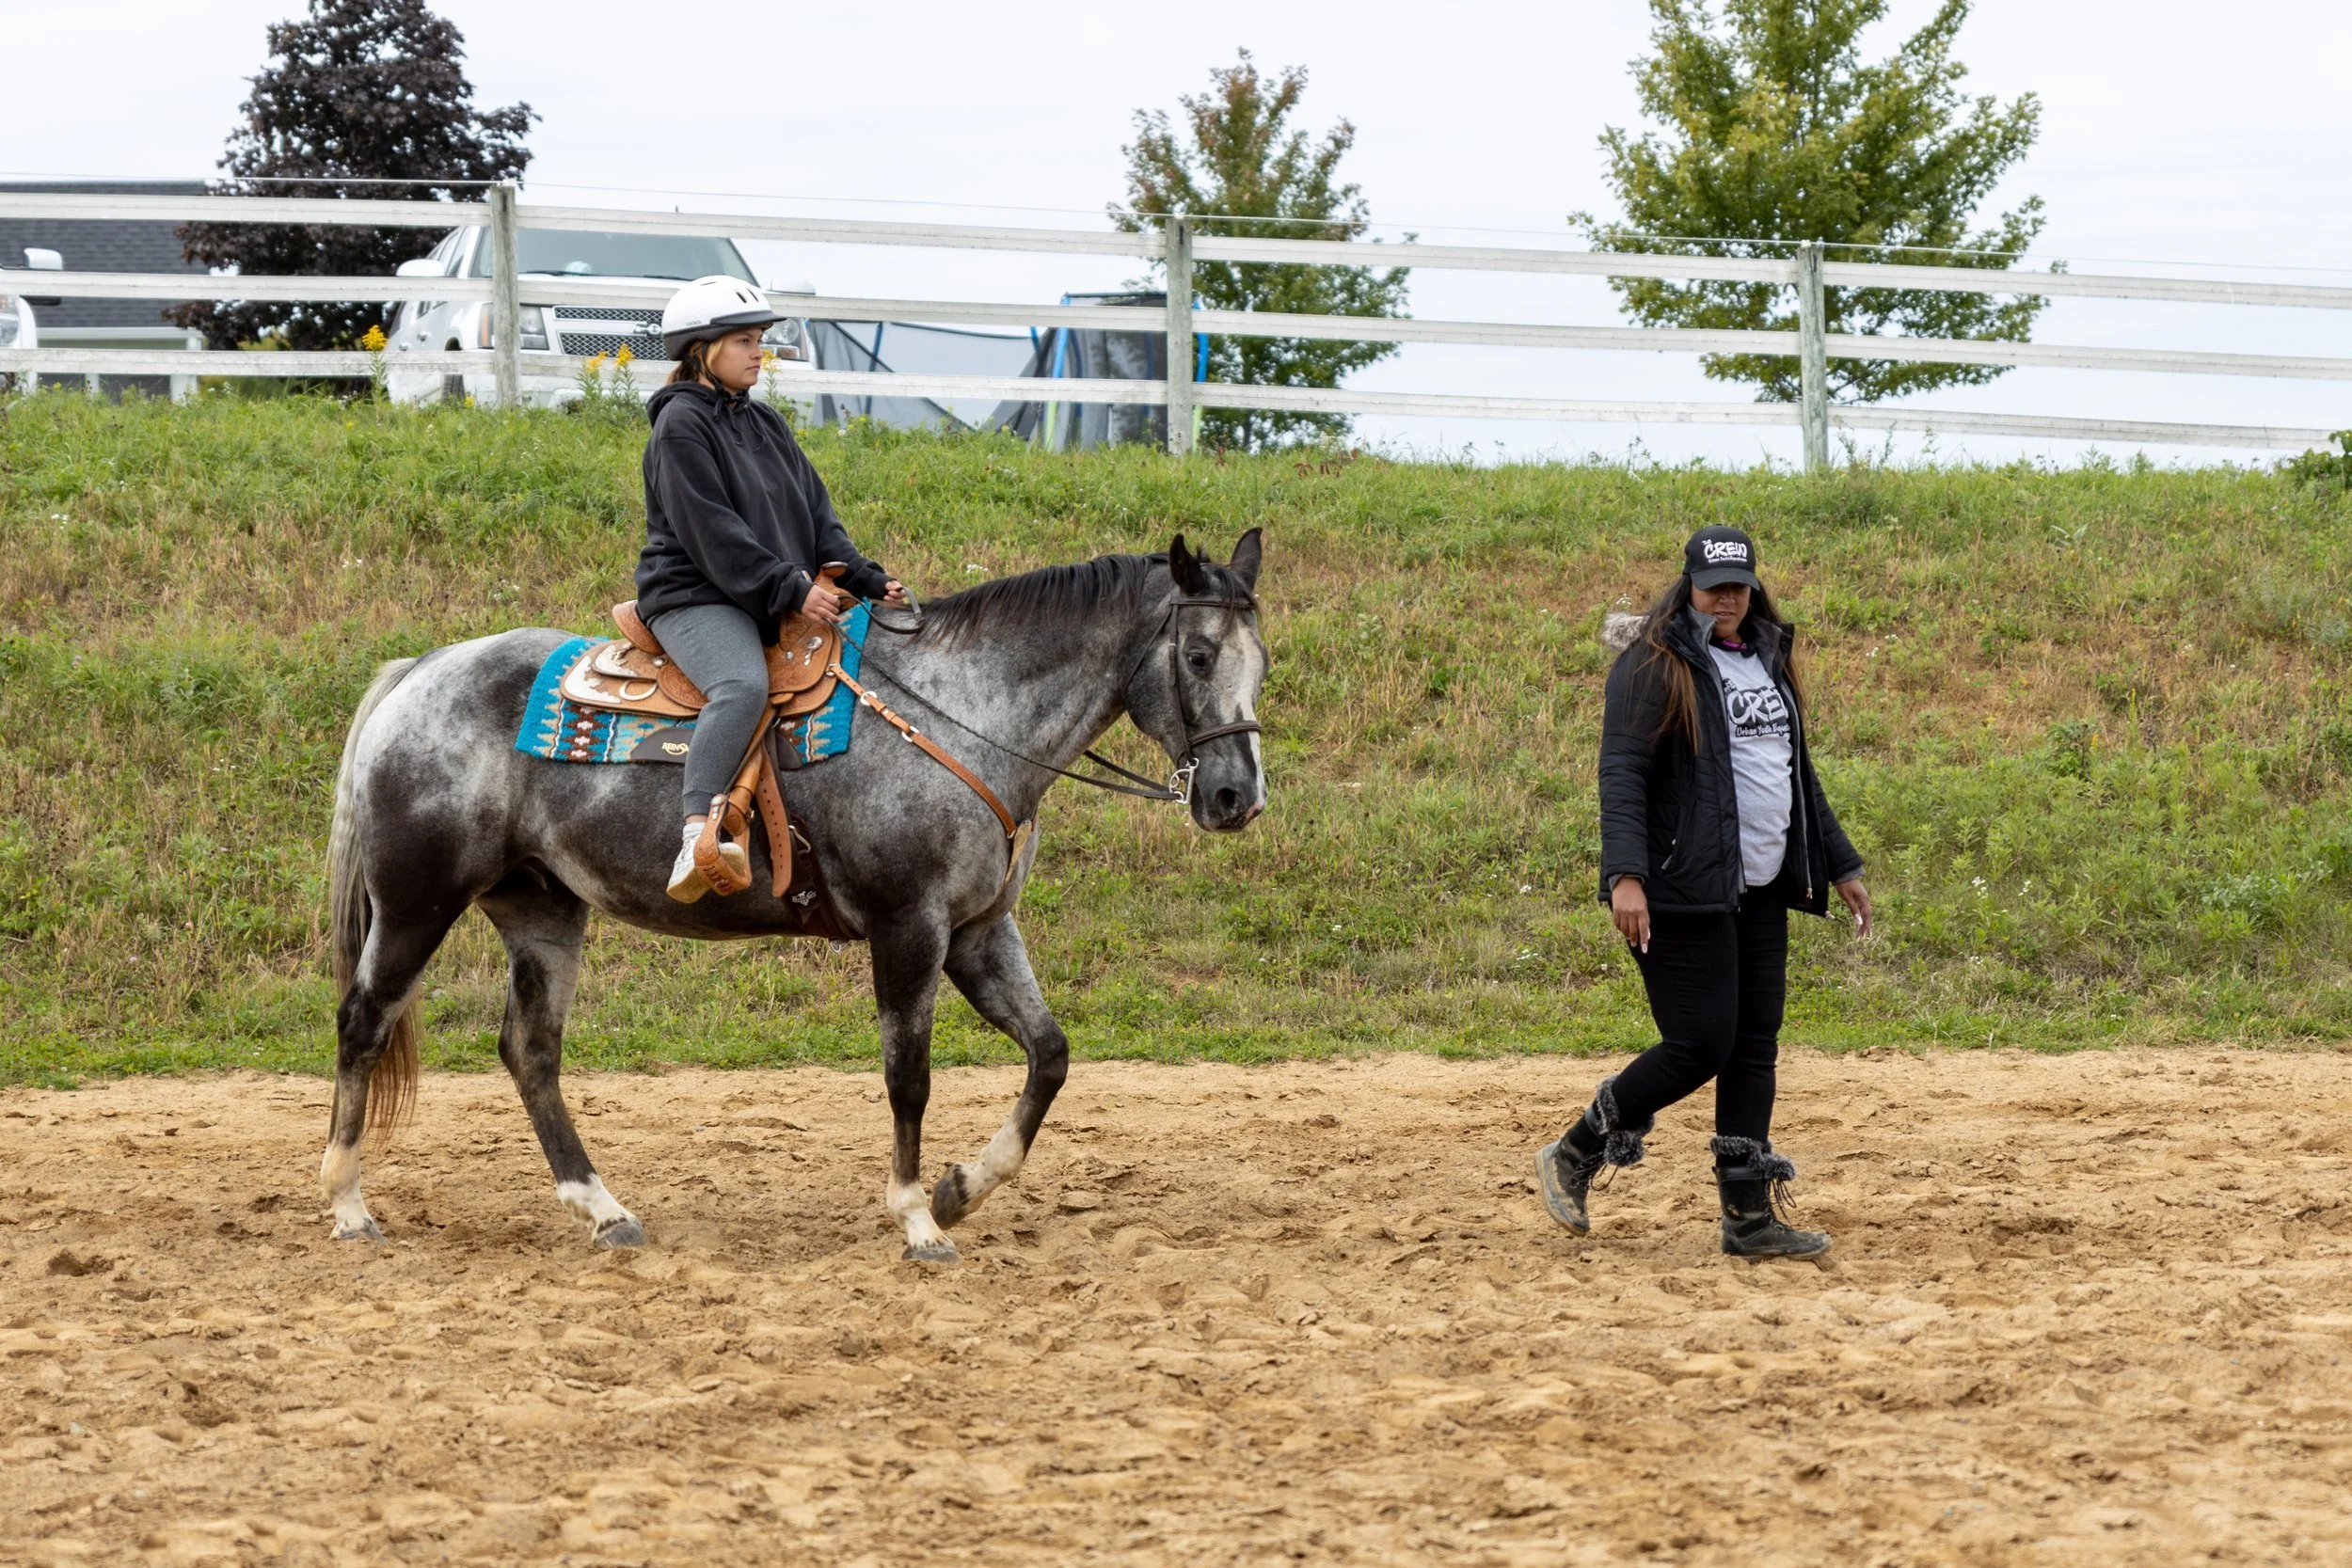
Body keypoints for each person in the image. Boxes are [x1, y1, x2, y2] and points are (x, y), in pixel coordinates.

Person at [1537, 526, 1872, 1258]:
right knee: (1700, 1041)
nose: (1727, 596)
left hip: (1760, 884)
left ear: (1754, 586)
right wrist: (1625, 875)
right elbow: (1621, 773)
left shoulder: (1767, 659)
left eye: (1739, 584)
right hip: (1680, 885)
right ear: (1687, 582)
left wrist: (1840, 861)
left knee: (1753, 1043)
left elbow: (1794, 774)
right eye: (1713, 583)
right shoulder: (1654, 664)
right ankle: (1578, 1147)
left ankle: (1747, 1216)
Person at [634, 276, 906, 902]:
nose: (760, 353)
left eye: (760, 340)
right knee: (742, 686)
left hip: (765, 590)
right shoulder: (679, 428)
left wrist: (865, 576)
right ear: (701, 349)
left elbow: (814, 512)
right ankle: (697, 831)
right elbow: (713, 531)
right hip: (696, 594)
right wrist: (788, 586)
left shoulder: (764, 423)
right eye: (743, 341)